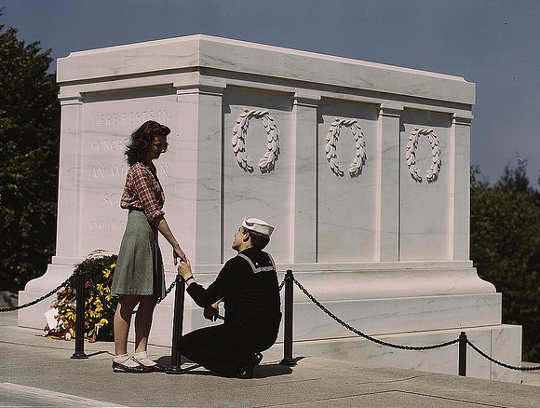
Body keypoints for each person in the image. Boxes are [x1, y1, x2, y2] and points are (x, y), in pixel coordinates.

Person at [111, 120, 187, 373]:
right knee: (130, 295)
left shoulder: (149, 168)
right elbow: (153, 212)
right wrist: (175, 244)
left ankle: (140, 352)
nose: (162, 149)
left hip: (148, 233)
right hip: (139, 230)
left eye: (164, 145)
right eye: (158, 145)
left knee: (148, 297)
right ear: (144, 143)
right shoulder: (140, 170)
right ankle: (120, 356)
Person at [176, 217, 281, 378]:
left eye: (239, 231)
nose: (235, 234)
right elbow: (248, 290)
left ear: (246, 236)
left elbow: (203, 299)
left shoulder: (237, 264)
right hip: (268, 335)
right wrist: (217, 301)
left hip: (244, 334)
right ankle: (245, 357)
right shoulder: (268, 260)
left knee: (184, 344)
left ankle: (238, 366)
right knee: (223, 336)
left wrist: (188, 276)